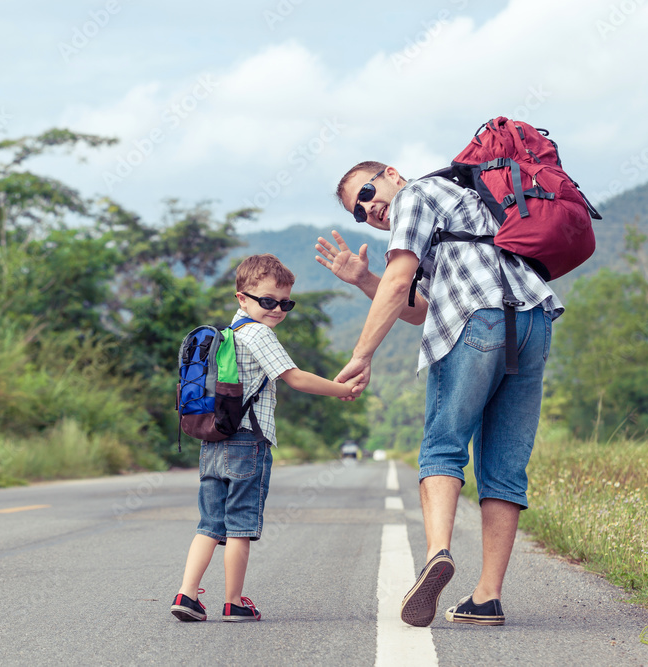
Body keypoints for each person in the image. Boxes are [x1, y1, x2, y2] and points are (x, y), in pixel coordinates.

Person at [318, 162, 563, 627]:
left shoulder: (415, 195)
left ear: (392, 174)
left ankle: (437, 554)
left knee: (443, 448)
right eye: (359, 212)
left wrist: (363, 353)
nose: (370, 209)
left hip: (477, 322)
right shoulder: (462, 202)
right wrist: (362, 280)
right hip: (532, 319)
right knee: (505, 465)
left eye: (368, 192)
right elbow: (420, 306)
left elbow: (399, 279)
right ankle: (487, 597)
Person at [171, 253, 364, 623]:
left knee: (210, 524)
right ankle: (234, 601)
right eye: (268, 301)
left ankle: (187, 593)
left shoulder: (226, 335)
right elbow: (295, 377)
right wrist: (340, 389)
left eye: (285, 303)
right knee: (240, 526)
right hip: (246, 441)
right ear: (242, 298)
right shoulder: (259, 334)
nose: (277, 309)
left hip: (211, 440)